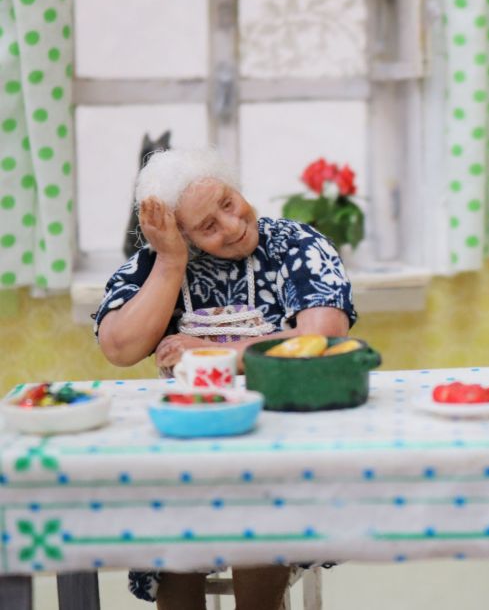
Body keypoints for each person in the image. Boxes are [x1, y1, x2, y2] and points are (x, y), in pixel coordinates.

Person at [94, 146, 357, 610]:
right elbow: (119, 347)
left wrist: (210, 352)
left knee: (259, 515)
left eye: (229, 203)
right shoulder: (157, 263)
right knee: (172, 525)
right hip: (186, 440)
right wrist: (171, 262)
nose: (233, 226)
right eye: (208, 227)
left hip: (277, 436)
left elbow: (322, 336)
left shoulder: (295, 244)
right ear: (183, 235)